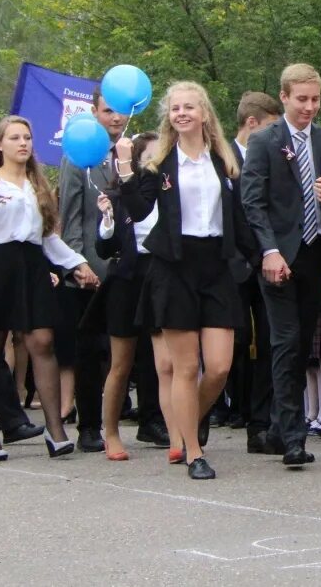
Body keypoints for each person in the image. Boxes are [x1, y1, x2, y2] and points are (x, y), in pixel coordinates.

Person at [115, 83, 254, 480]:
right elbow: (140, 212)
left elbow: (240, 220)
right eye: (175, 108)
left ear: (204, 113)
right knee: (186, 365)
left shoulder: (223, 161)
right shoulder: (159, 164)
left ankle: (187, 420)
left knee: (220, 367)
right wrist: (126, 168)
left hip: (216, 266)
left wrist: (265, 256)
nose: (181, 113)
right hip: (173, 267)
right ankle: (194, 451)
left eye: (189, 107)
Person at [241, 63, 321, 468]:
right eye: (301, 99)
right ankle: (292, 435)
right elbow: (252, 201)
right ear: (284, 97)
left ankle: (275, 425)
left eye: (315, 99)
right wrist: (268, 251)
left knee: (302, 343)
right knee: (285, 339)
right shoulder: (265, 141)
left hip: (314, 251)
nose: (309, 107)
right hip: (279, 254)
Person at [59, 89, 166, 453]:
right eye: (107, 111)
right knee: (93, 350)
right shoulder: (80, 154)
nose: (116, 118)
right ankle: (90, 426)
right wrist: (77, 262)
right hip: (92, 267)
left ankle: (151, 420)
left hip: (136, 266)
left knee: (149, 349)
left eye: (121, 111)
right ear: (94, 111)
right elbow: (70, 215)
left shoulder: (140, 153)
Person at [0, 116, 96, 459]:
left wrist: (78, 263)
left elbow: (49, 238)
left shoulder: (37, 184)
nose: (23, 143)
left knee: (43, 339)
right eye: (14, 138)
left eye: (27, 137)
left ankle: (55, 429)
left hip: (32, 264)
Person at [89, 132, 169, 461]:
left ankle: (166, 427)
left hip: (162, 278)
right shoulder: (117, 195)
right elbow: (105, 248)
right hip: (127, 280)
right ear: (135, 160)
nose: (158, 159)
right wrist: (107, 219)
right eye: (151, 154)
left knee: (164, 362)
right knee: (121, 363)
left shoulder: (168, 192)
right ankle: (109, 432)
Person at [228, 91, 281, 454]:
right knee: (228, 346)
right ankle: (209, 414)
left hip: (265, 260)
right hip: (229, 264)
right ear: (253, 123)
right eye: (270, 127)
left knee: (268, 342)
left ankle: (260, 426)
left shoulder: (272, 155)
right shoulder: (221, 156)